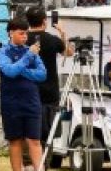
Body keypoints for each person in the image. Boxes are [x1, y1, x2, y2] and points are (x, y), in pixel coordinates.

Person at [0, 19, 47, 171]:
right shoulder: (2, 52)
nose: (25, 36)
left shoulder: (31, 51)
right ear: (11, 33)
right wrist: (26, 59)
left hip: (31, 102)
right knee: (15, 141)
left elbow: (42, 74)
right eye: (21, 33)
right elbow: (9, 72)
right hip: (11, 103)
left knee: (34, 140)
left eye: (26, 33)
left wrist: (21, 70)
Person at [25, 8, 72, 146]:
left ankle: (31, 163)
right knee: (48, 133)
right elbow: (68, 52)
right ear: (44, 21)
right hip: (49, 92)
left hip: (28, 91)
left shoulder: (24, 39)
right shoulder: (52, 40)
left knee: (30, 132)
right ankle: (45, 161)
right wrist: (63, 33)